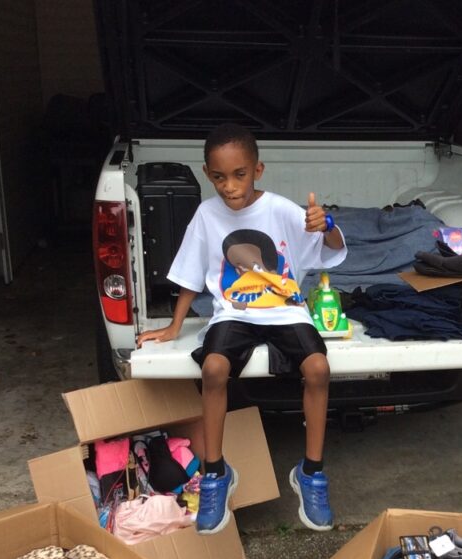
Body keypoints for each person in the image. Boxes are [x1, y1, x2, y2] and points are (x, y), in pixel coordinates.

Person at [137, 123, 347, 535]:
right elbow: (190, 274)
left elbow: (333, 248)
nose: (230, 187)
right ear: (206, 173)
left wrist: (327, 225)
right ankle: (216, 473)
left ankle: (311, 473)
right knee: (213, 369)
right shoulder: (205, 214)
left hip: (285, 310)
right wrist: (173, 325)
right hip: (234, 313)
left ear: (258, 170)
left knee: (318, 369)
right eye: (219, 177)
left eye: (240, 175)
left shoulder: (282, 210)